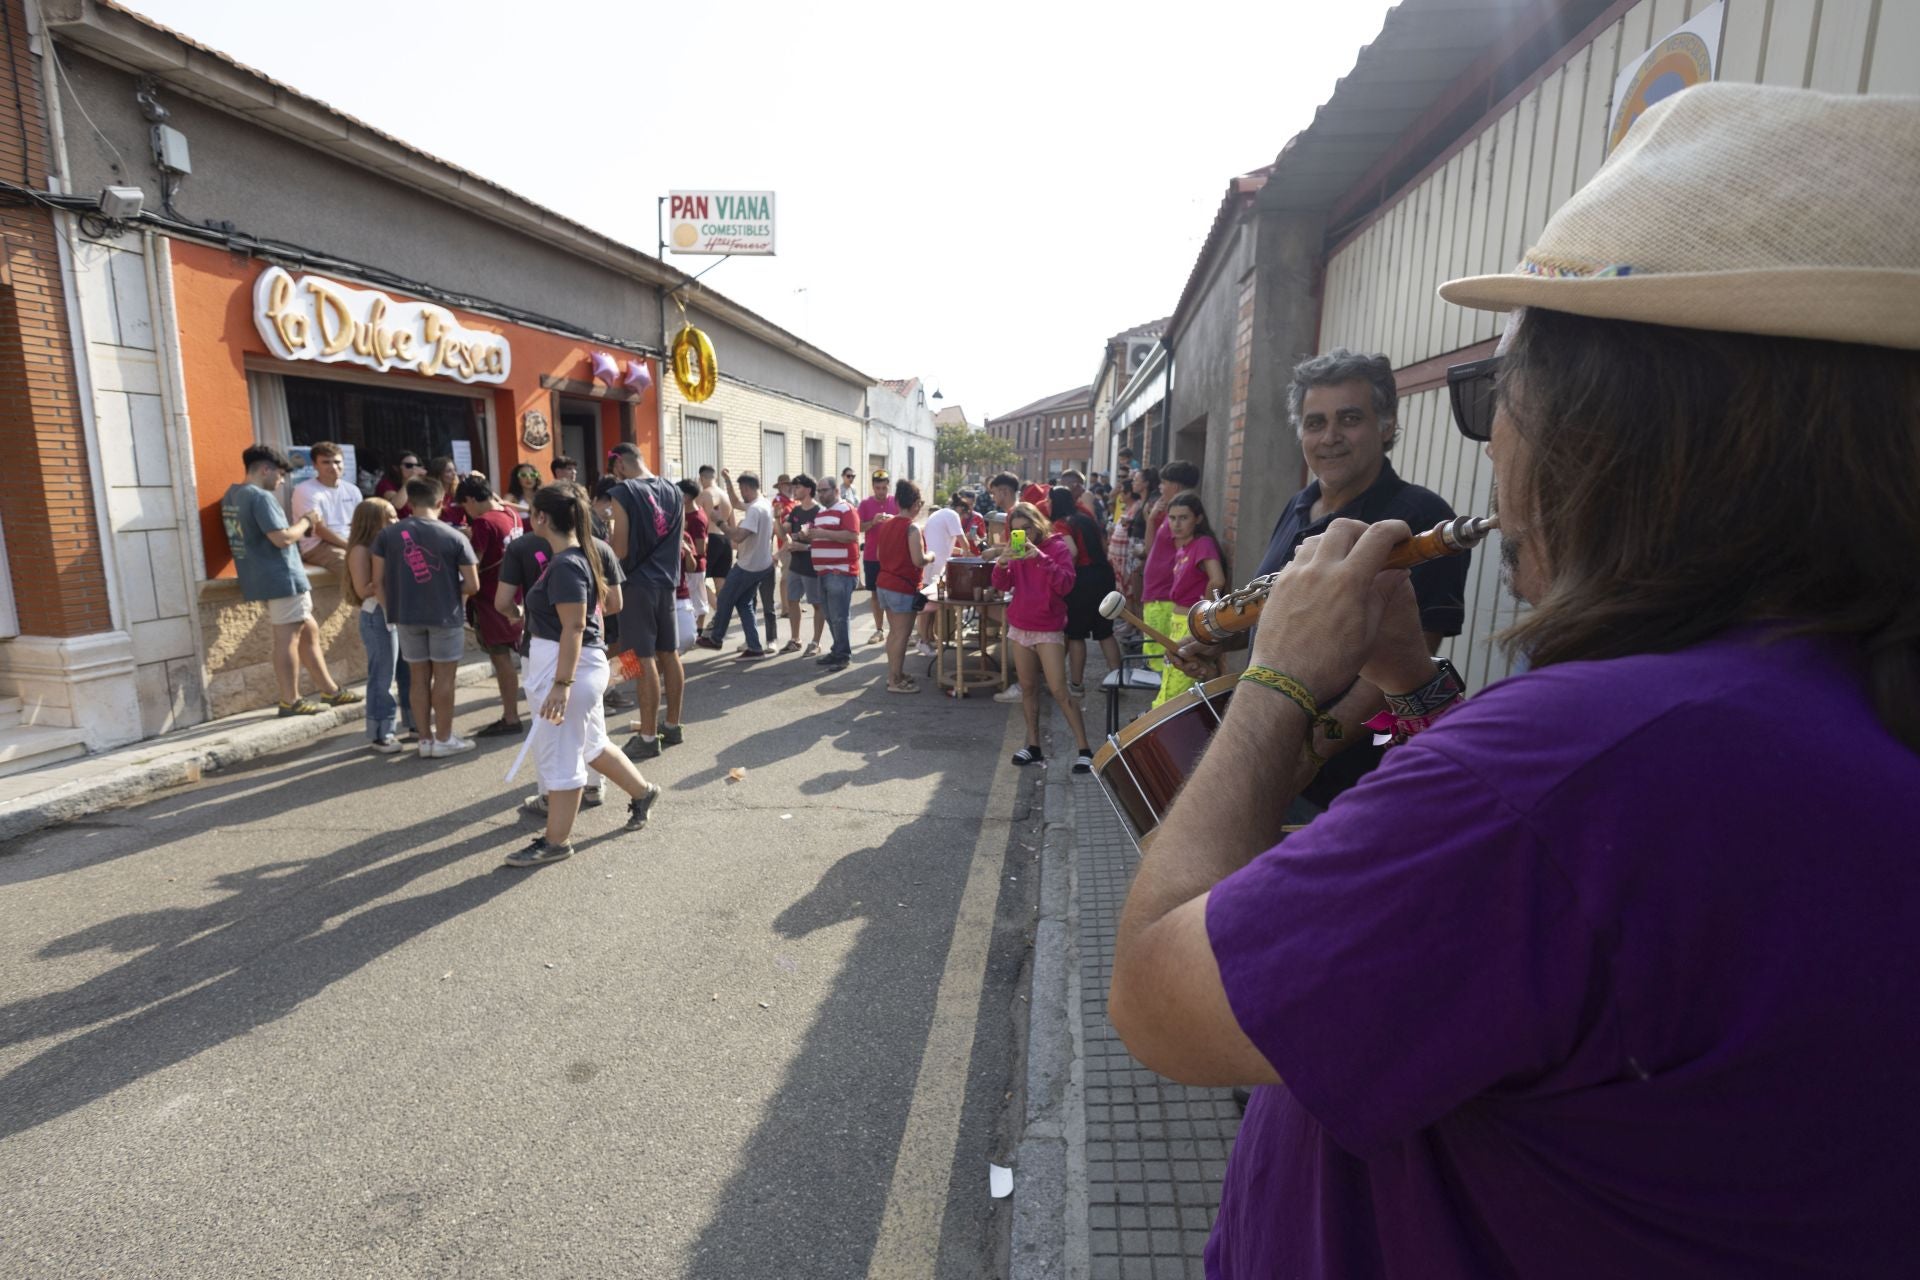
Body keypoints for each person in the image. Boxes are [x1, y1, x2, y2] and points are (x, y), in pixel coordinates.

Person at [1109, 83, 1920, 1277]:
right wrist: (1416, 683)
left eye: (1491, 397)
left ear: (1619, 433)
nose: (1492, 441)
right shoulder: (1825, 693)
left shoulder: (1572, 767)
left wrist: (1280, 677)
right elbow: (1549, 942)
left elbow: (1157, 992)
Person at [1171, 348, 1468, 808]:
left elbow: (1405, 663)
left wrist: (1312, 751)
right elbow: (1280, 613)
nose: (1329, 437)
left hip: (1346, 783)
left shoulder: (1421, 518)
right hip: (1271, 754)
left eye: (1349, 419)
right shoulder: (1296, 506)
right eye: (1314, 423)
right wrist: (1219, 641)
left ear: (1386, 426)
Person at [504, 483, 662, 867]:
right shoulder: (579, 556)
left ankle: (556, 841)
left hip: (567, 668)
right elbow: (594, 616)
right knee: (591, 744)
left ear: (542, 517)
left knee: (562, 757)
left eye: (532, 512)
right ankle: (643, 792)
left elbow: (573, 627)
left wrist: (561, 684)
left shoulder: (566, 563)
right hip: (575, 665)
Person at [494, 489, 622, 814]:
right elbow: (614, 604)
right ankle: (614, 788)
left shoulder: (541, 553)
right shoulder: (597, 548)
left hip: (555, 655)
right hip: (589, 650)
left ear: (542, 517)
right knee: (591, 731)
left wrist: (537, 616)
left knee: (556, 742)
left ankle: (555, 818)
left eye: (532, 511)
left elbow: (503, 603)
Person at [219, 444, 359, 717]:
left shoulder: (232, 495)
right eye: (280, 474)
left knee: (309, 632)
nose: (282, 481)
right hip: (282, 577)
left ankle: (330, 690)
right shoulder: (260, 497)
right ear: (265, 470)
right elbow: (282, 538)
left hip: (261, 576)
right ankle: (290, 700)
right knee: (288, 639)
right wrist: (308, 520)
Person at [371, 474, 479, 757]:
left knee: (417, 678)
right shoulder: (454, 536)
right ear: (441, 501)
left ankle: (425, 740)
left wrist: (389, 611)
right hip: (445, 614)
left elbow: (377, 582)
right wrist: (454, 592)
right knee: (444, 678)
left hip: (406, 615)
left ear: (410, 501)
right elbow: (473, 584)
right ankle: (444, 739)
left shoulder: (387, 535)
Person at [989, 501, 1091, 770]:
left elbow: (1066, 584)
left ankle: (1085, 749)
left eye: (1026, 528)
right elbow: (1002, 584)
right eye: (1015, 531)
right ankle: (1033, 746)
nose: (1022, 534)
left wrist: (1039, 558)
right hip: (1020, 626)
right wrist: (1001, 563)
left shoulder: (1056, 548)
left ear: (1038, 525)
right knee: (1028, 688)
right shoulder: (1016, 551)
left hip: (1048, 628)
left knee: (1059, 690)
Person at [604, 442, 687, 759]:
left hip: (636, 582)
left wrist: (606, 548)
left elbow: (620, 550)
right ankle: (672, 725)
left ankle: (649, 737)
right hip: (667, 580)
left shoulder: (624, 491)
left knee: (641, 657)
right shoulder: (673, 489)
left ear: (620, 466)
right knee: (669, 652)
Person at [457, 474, 525, 737]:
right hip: (515, 595)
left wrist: (464, 540)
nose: (467, 512)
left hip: (490, 600)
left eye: (465, 506)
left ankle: (510, 716)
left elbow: (473, 562)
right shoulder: (511, 514)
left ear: (472, 499)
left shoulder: (484, 523)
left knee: (501, 659)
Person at [1148, 492, 1226, 708]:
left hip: (1191, 624)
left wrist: (1204, 620)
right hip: (1177, 621)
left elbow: (1217, 580)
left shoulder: (1203, 543)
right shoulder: (1182, 546)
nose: (1176, 524)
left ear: (1198, 519)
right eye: (1172, 518)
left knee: (1179, 695)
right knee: (1169, 685)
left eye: (1183, 518)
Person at [344, 497, 407, 751]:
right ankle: (381, 732)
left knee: (407, 673)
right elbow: (363, 589)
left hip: (398, 614)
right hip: (377, 617)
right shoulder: (361, 550)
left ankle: (413, 724)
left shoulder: (390, 543)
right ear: (372, 520)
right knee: (383, 676)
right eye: (389, 516)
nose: (396, 520)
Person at [1050, 486, 1124, 697]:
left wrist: (1066, 574)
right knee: (1105, 631)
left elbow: (1071, 551)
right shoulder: (1085, 518)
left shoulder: (1061, 524)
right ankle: (1116, 680)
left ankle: (1076, 685)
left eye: (1049, 501)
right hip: (1103, 574)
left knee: (1076, 634)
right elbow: (1103, 544)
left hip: (1082, 579)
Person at [697, 469, 776, 659]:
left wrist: (719, 521)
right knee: (743, 604)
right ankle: (755, 648)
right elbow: (735, 503)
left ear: (748, 488)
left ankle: (716, 639)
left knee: (724, 598)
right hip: (761, 565)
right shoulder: (763, 503)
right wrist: (728, 482)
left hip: (748, 566)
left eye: (741, 489)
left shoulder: (755, 510)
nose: (740, 493)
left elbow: (738, 537)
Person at [870, 478, 930, 694]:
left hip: (884, 584)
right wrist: (930, 556)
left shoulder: (886, 525)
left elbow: (878, 555)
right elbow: (918, 560)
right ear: (915, 504)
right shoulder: (912, 528)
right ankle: (894, 679)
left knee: (893, 633)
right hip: (902, 587)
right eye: (921, 503)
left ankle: (895, 673)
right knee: (901, 635)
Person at [1138, 459, 1198, 673]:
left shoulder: (1183, 517)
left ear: (1177, 485)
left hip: (1164, 597)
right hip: (1154, 594)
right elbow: (1149, 549)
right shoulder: (1169, 513)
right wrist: (1151, 518)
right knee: (1154, 660)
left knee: (1162, 663)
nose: (1161, 487)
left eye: (1164, 482)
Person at [801, 476, 860, 672]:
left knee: (839, 616)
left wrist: (822, 534)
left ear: (836, 491)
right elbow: (820, 540)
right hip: (824, 572)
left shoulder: (846, 509)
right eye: (819, 491)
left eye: (825, 490)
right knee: (830, 615)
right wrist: (805, 538)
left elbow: (852, 536)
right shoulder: (822, 513)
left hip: (840, 572)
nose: (821, 494)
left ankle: (843, 655)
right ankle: (838, 650)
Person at [289, 441, 359, 575]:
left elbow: (359, 523)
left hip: (349, 541)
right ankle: (361, 595)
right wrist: (351, 546)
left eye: (337, 462)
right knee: (353, 564)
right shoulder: (305, 490)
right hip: (317, 545)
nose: (333, 467)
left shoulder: (353, 490)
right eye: (326, 462)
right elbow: (319, 530)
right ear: (315, 465)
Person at [781, 474, 828, 656]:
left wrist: (805, 546)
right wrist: (777, 518)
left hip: (812, 567)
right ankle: (795, 639)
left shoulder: (820, 512)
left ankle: (815, 642)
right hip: (796, 565)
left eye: (798, 487)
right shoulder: (795, 511)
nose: (795, 490)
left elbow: (825, 541)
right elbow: (783, 531)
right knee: (792, 601)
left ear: (808, 490)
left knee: (817, 604)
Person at [913, 501, 967, 656]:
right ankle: (923, 641)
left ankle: (929, 637)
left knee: (933, 604)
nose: (962, 520)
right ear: (960, 510)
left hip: (934, 565)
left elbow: (947, 546)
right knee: (928, 605)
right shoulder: (953, 515)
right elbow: (965, 545)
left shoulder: (940, 515)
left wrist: (962, 553)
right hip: (935, 567)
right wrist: (970, 555)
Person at [858, 470, 899, 644]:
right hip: (872, 556)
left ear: (888, 486)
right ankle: (879, 629)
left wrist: (893, 520)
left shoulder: (896, 502)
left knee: (894, 593)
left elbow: (907, 522)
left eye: (884, 488)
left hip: (893, 555)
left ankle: (896, 630)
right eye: (877, 488)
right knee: (875, 594)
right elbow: (859, 527)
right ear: (873, 487)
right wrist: (872, 522)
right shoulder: (865, 504)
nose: (881, 491)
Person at [697, 463, 734, 614]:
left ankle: (719, 610)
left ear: (701, 478)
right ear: (715, 477)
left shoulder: (704, 494)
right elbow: (733, 524)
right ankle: (724, 613)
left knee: (698, 580)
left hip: (710, 539)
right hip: (725, 539)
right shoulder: (726, 496)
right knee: (721, 581)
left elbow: (698, 519)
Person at [677, 477, 708, 641]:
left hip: (695, 567)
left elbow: (701, 548)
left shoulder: (696, 517)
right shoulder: (688, 514)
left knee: (697, 601)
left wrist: (687, 550)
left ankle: (699, 632)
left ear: (686, 497)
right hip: (689, 567)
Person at [426, 456, 468, 529]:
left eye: (454, 470)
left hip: (462, 530)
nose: (454, 473)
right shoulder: (431, 494)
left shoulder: (458, 492)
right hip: (443, 531)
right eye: (449, 471)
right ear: (439, 474)